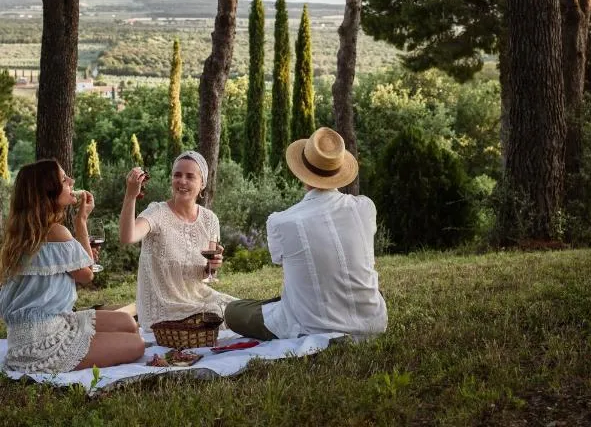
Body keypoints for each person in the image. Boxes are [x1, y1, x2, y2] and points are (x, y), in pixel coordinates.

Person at [225, 127, 388, 340]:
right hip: (373, 322)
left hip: (312, 326)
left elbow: (278, 260)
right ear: (338, 171)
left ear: (302, 172)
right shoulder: (365, 207)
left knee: (233, 311)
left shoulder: (281, 221)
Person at [0, 159, 145, 374]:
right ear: (48, 191)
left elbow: (81, 265)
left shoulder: (21, 235)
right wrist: (81, 222)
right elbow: (87, 275)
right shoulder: (57, 232)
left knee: (127, 321)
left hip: (38, 328)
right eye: (63, 179)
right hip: (44, 341)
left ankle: (90, 341)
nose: (72, 181)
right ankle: (72, 349)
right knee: (137, 345)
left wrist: (81, 254)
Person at [119, 151, 236, 331]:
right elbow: (128, 237)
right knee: (218, 317)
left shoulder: (210, 219)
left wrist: (212, 266)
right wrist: (130, 195)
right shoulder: (157, 213)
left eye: (190, 176)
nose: (182, 181)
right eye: (177, 175)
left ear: (202, 183)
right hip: (164, 308)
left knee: (240, 309)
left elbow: (206, 274)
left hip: (198, 297)